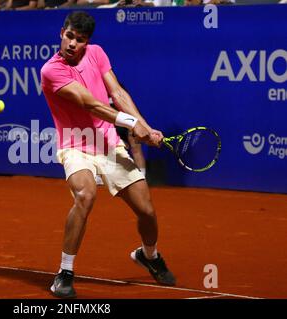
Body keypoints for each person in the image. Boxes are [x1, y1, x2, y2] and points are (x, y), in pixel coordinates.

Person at [41, 11, 176, 299]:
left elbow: (117, 93)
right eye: (70, 36)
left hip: (109, 144)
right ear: (61, 33)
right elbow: (91, 104)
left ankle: (149, 255)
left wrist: (146, 127)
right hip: (75, 146)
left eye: (80, 39)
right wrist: (131, 124)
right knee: (85, 195)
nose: (73, 44)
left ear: (88, 41)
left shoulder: (98, 53)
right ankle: (64, 273)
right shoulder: (51, 71)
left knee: (147, 211)